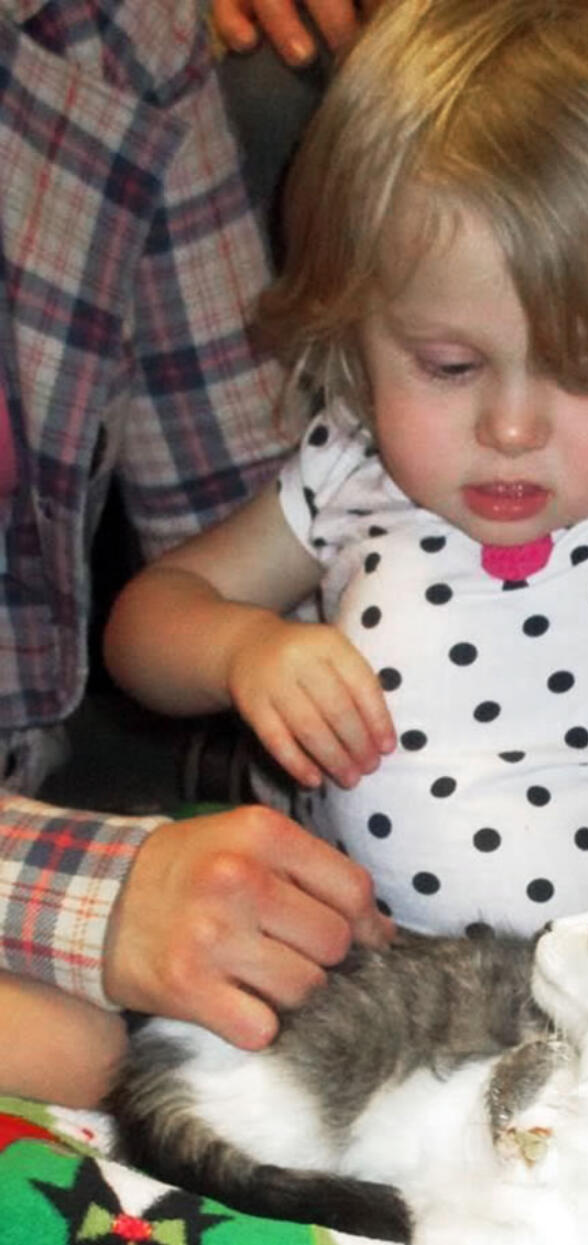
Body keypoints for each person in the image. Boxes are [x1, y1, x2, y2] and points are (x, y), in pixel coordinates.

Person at [103, 0, 588, 937]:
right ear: (356, 322)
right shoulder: (352, 466)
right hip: (352, 978)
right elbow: (146, 622)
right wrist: (241, 649)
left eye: (587, 370)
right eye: (448, 366)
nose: (510, 427)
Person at [0, 0, 396, 1111]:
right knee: (96, 1062)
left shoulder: (114, 33)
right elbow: (170, 614)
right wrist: (105, 893)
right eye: (449, 364)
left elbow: (228, 497)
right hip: (48, 866)